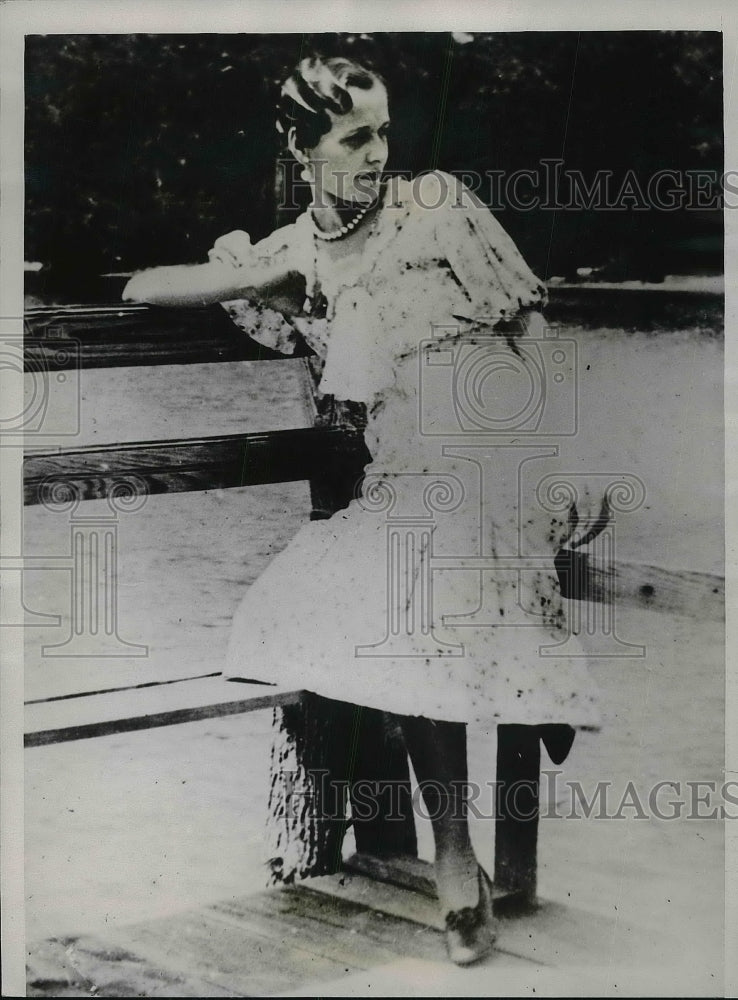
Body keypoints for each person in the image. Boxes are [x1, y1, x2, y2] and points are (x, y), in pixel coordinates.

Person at [123, 54, 607, 966]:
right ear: (301, 147)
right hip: (409, 484)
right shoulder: (299, 250)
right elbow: (142, 287)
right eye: (353, 138)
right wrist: (241, 264)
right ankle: (483, 801)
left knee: (419, 588)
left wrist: (571, 461)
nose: (377, 154)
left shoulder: (437, 206)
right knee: (373, 599)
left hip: (496, 456)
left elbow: (527, 327)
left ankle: (461, 857)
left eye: (383, 131)